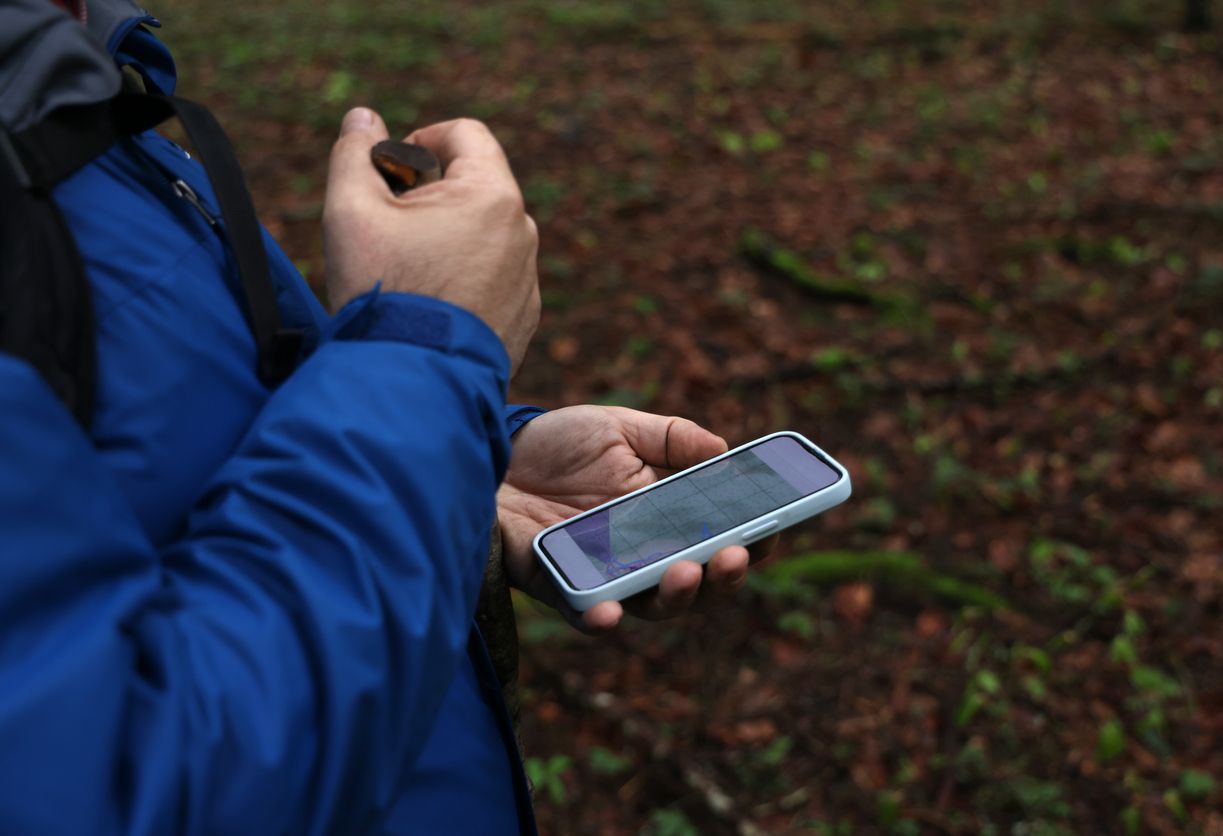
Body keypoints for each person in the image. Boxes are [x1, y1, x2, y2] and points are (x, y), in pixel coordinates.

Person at [0, 0, 772, 833]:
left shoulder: (70, 90)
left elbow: (201, 439)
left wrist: (473, 460)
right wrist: (431, 353)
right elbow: (126, 788)